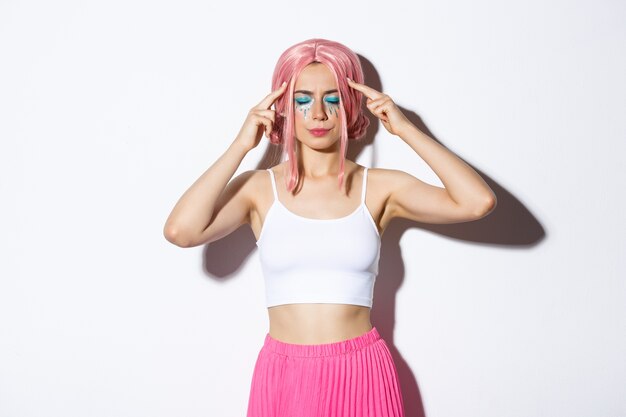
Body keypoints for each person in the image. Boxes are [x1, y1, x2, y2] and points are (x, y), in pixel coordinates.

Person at [163, 38, 496, 417]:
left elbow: (476, 202)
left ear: (350, 106)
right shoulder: (258, 189)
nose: (318, 114)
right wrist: (240, 146)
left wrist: (407, 130)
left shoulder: (380, 187)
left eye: (333, 99)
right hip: (284, 374)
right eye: (302, 100)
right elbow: (181, 231)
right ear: (282, 108)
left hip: (361, 371)